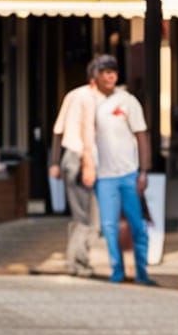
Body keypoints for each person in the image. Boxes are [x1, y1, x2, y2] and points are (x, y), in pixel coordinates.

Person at [92, 54, 153, 286]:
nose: (110, 76)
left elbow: (141, 135)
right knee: (108, 226)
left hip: (129, 173)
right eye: (105, 72)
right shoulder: (91, 101)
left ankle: (141, 271)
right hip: (103, 176)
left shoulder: (127, 100)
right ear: (96, 75)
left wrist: (144, 170)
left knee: (138, 225)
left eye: (113, 72)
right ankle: (116, 271)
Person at [50, 61, 101, 277]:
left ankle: (74, 260)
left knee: (79, 214)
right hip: (82, 158)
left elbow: (57, 130)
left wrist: (54, 162)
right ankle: (79, 261)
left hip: (69, 157)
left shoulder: (72, 94)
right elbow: (86, 134)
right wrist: (87, 162)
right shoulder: (90, 98)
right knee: (88, 217)